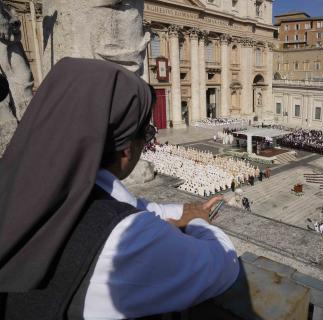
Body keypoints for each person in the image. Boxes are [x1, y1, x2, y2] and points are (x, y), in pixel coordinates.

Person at [0, 58, 239, 319]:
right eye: (146, 135)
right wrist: (198, 222)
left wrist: (180, 210)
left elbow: (118, 206)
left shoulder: (22, 185)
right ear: (126, 148)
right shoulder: (126, 237)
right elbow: (223, 265)